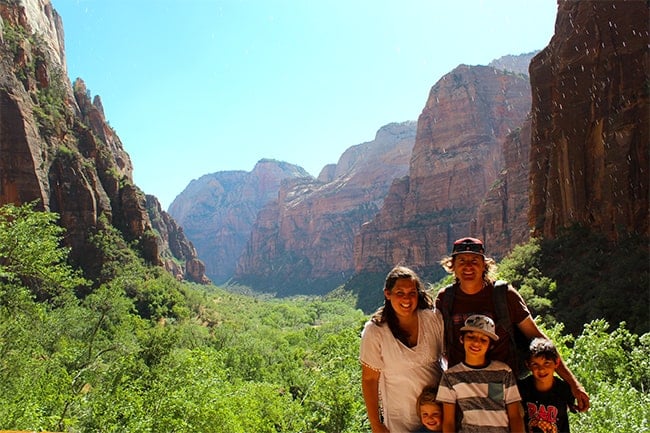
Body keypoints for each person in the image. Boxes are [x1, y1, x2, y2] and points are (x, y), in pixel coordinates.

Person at [434, 237, 590, 412]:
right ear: (452, 266)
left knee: (497, 422)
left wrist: (573, 384)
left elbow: (537, 338)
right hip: (461, 384)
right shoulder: (445, 299)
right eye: (462, 260)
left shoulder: (503, 295)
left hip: (499, 383)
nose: (468, 266)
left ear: (484, 265)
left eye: (474, 260)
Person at [360, 265, 445, 433]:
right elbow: (369, 380)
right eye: (400, 293)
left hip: (437, 418)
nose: (406, 299)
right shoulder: (375, 331)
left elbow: (450, 356)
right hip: (400, 422)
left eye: (411, 293)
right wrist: (376, 424)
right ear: (387, 294)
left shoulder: (432, 319)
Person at [436, 314, 525, 433]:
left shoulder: (503, 372)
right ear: (461, 339)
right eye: (471, 337)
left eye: (483, 339)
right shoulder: (450, 376)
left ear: (491, 345)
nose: (476, 343)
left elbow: (515, 416)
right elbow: (449, 422)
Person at [518, 338, 576, 433]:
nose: (541, 369)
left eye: (547, 363)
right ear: (528, 365)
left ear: (556, 363)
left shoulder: (565, 389)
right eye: (535, 364)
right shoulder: (521, 388)